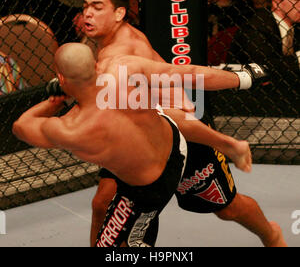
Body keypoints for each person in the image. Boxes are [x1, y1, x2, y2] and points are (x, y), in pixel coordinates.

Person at [81, 0, 286, 247]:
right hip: (140, 141)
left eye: (97, 7)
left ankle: (271, 236)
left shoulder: (126, 51)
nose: (87, 13)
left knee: (227, 208)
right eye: (85, 6)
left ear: (119, 13)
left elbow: (179, 98)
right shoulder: (98, 41)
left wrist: (240, 82)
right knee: (103, 202)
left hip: (182, 136)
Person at [13, 42, 255, 247]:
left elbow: (21, 126)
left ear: (62, 77)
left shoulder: (72, 129)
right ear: (96, 66)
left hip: (150, 189)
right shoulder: (122, 67)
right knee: (163, 112)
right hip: (176, 143)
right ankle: (228, 144)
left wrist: (54, 102)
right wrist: (242, 78)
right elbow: (189, 73)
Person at [230, 0, 300, 115]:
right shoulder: (255, 27)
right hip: (249, 103)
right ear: (277, 3)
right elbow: (266, 67)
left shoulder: (297, 27)